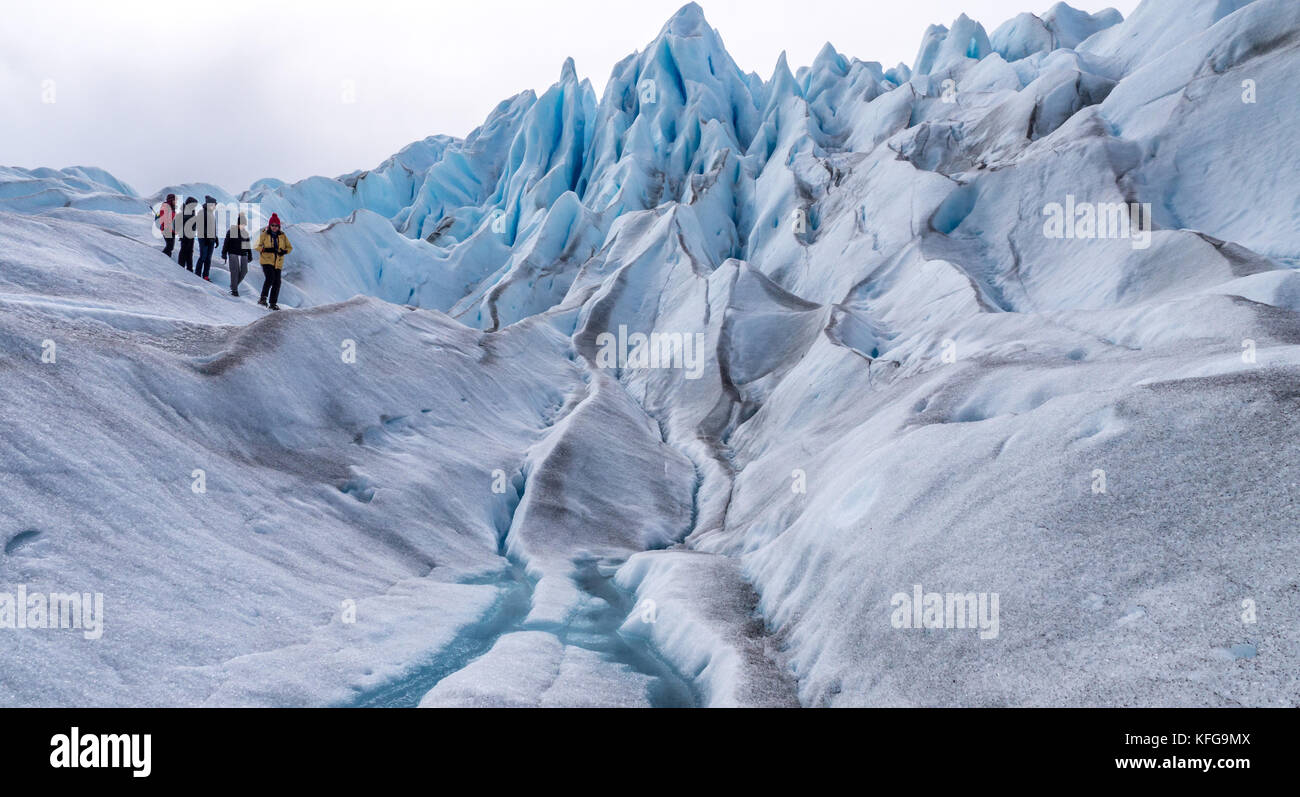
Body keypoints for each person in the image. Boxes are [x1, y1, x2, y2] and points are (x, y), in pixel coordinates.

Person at [256, 213, 292, 310]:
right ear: (269, 225)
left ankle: (272, 303)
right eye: (272, 225)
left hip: (278, 263)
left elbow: (289, 248)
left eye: (276, 225)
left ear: (279, 226)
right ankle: (263, 298)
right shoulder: (264, 234)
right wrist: (265, 250)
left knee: (277, 282)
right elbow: (257, 246)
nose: (274, 227)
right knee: (270, 278)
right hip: (266, 261)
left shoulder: (282, 236)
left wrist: (284, 251)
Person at [221, 212, 253, 297]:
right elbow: (226, 243)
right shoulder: (231, 231)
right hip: (233, 253)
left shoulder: (245, 233)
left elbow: (248, 245)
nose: (243, 226)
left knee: (244, 271)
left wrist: (250, 255)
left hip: (243, 254)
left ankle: (233, 286)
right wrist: (224, 253)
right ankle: (234, 290)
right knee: (234, 271)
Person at [195, 195, 220, 281]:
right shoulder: (202, 213)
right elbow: (200, 226)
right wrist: (206, 237)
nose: (215, 206)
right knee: (203, 256)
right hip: (204, 239)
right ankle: (197, 274)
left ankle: (205, 275)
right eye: (214, 204)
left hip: (210, 239)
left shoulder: (211, 214)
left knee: (208, 258)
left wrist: (215, 237)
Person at [177, 197, 199, 271]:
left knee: (189, 252)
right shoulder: (186, 211)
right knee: (184, 251)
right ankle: (181, 268)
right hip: (186, 235)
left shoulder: (190, 211)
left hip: (190, 235)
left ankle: (189, 269)